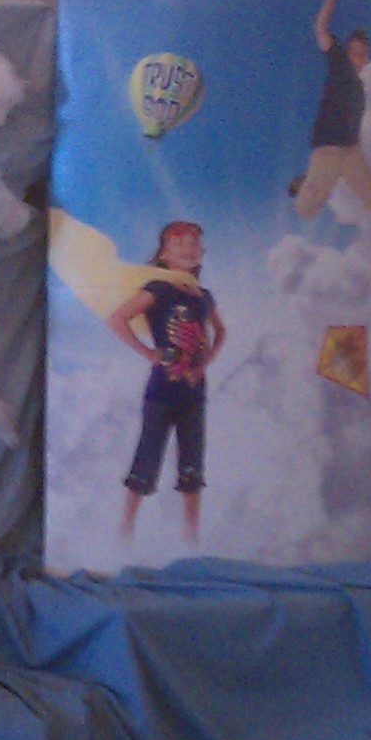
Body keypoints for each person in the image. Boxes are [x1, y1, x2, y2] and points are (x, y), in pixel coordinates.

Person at [110, 220, 223, 543]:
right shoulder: (159, 288)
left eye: (194, 243)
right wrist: (148, 353)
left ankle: (191, 535)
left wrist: (208, 359)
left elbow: (220, 331)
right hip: (161, 391)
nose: (188, 249)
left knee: (192, 464)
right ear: (164, 253)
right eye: (179, 243)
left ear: (202, 251)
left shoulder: (203, 295)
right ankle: (125, 530)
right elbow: (117, 318)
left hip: (194, 393)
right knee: (147, 455)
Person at [291, 0, 371, 255]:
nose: (358, 58)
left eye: (362, 54)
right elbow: (320, 28)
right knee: (305, 210)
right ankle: (304, 182)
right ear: (347, 52)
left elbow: (354, 122)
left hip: (351, 151)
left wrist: (358, 148)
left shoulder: (361, 90)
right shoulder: (338, 63)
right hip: (327, 149)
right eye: (354, 52)